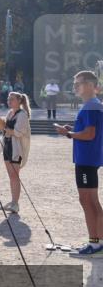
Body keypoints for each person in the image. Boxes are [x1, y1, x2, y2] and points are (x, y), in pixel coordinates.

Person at [55, 71, 103, 256]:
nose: (75, 86)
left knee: (88, 201)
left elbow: (90, 134)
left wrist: (67, 133)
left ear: (90, 85)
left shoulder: (91, 106)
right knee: (92, 201)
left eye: (79, 83)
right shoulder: (95, 105)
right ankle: (98, 242)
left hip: (86, 159)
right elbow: (90, 131)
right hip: (90, 158)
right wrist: (73, 130)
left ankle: (95, 244)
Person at [0, 91, 31, 214]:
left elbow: (18, 133)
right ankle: (13, 201)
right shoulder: (10, 113)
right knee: (11, 176)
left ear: (19, 101)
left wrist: (4, 127)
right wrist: (0, 125)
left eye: (12, 99)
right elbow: (6, 131)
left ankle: (15, 203)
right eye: (8, 99)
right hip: (7, 146)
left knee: (15, 176)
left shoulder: (22, 115)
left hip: (16, 148)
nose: (9, 101)